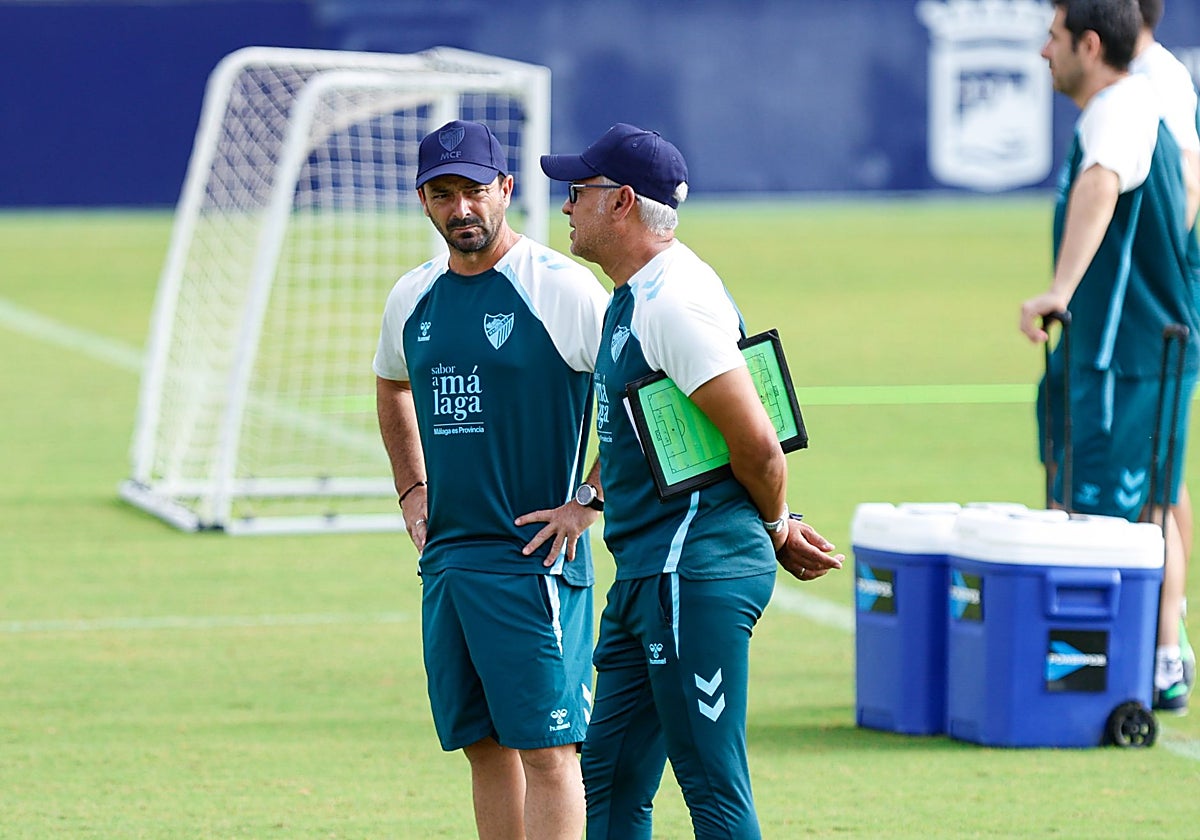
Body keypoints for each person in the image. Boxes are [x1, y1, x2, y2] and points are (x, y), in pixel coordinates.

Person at [540, 123, 844, 840]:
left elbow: (757, 443)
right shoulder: (638, 292)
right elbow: (658, 429)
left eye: (577, 192)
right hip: (651, 572)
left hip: (693, 572)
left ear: (621, 203)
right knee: (608, 777)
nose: (566, 207)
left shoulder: (669, 304)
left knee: (710, 785)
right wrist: (587, 501)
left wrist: (777, 525)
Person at [373, 119, 608, 839]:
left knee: (547, 749)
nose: (461, 208)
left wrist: (588, 499)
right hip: (447, 558)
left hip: (532, 562)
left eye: (474, 190)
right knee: (482, 745)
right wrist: (412, 490)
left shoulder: (562, 289)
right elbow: (392, 386)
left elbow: (644, 397)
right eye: (442, 194)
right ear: (423, 201)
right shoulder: (412, 297)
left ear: (506, 189)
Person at [1021, 0, 1200, 713]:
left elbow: (1100, 182)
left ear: (1088, 46)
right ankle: (1158, 661)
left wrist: (1059, 290)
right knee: (1155, 504)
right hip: (1147, 346)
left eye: (1053, 38)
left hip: (1122, 355)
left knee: (1098, 514)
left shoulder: (1119, 111)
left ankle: (1095, 673)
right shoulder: (1138, 101)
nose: (1043, 52)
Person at [1134, 0, 1200, 699]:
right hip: (1155, 303)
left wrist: (1162, 269)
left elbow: (1189, 172)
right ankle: (1169, 630)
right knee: (1165, 471)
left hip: (1161, 309)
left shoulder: (1159, 78)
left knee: (1155, 475)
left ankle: (1165, 649)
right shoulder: (1139, 74)